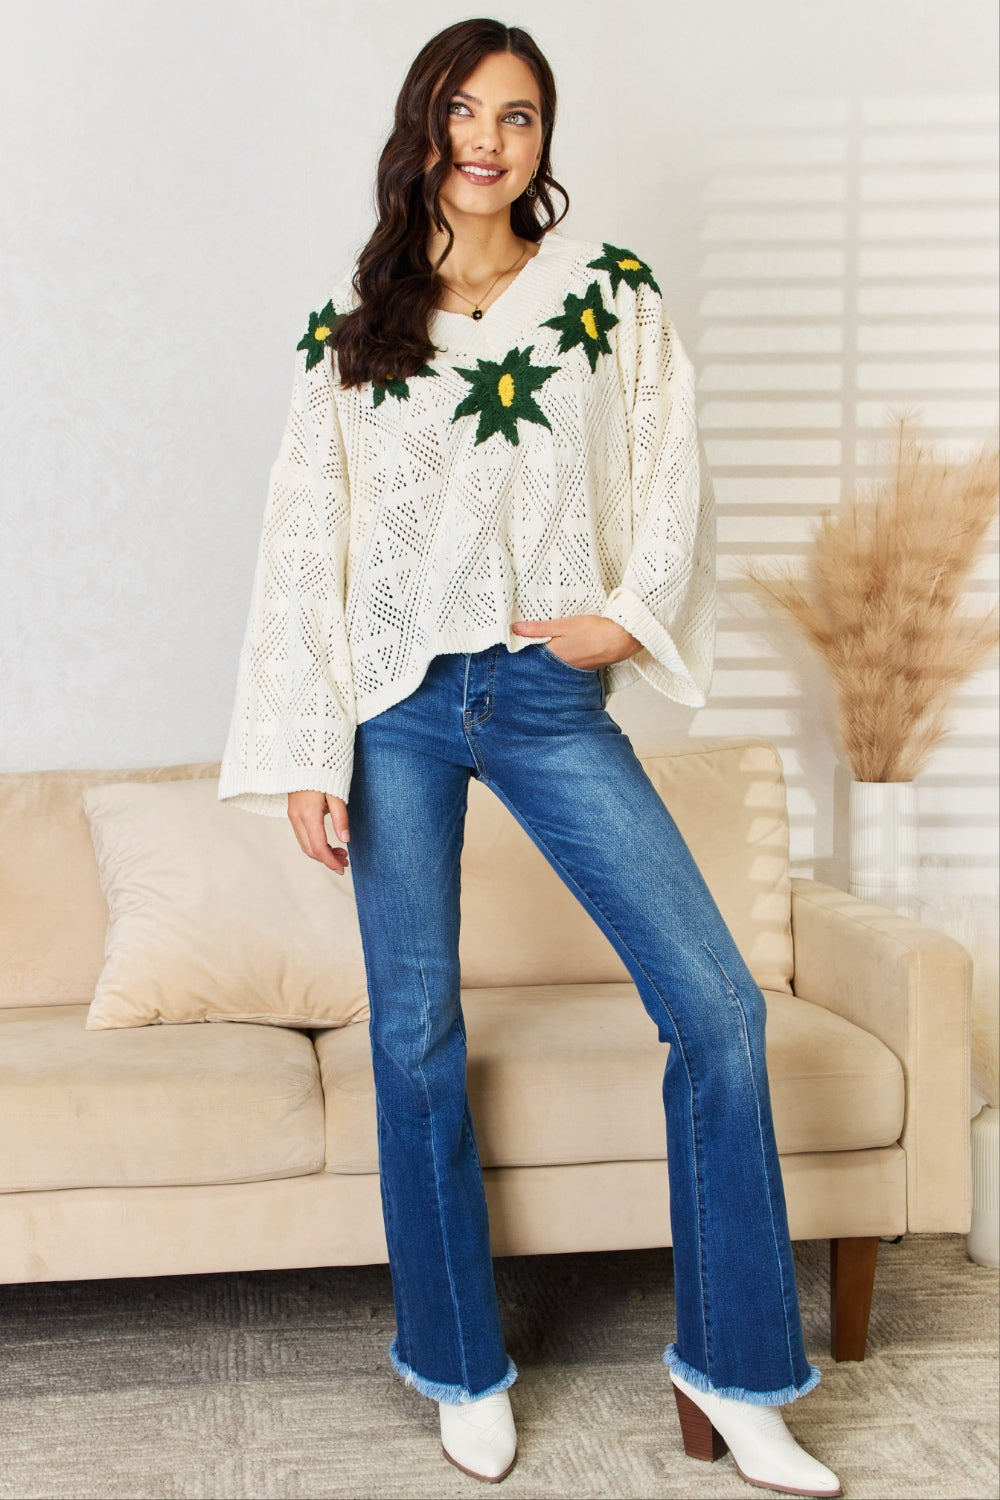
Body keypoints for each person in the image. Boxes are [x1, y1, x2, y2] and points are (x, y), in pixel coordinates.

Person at [219, 18, 842, 1496]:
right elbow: (311, 547)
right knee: (416, 1033)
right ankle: (458, 1363)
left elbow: (675, 459)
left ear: (543, 140)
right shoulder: (353, 324)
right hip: (397, 709)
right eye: (464, 112)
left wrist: (622, 618)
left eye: (519, 116)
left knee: (717, 1009)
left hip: (545, 699)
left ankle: (740, 1373)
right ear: (421, 129)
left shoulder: (606, 298)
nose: (490, 141)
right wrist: (316, 743)